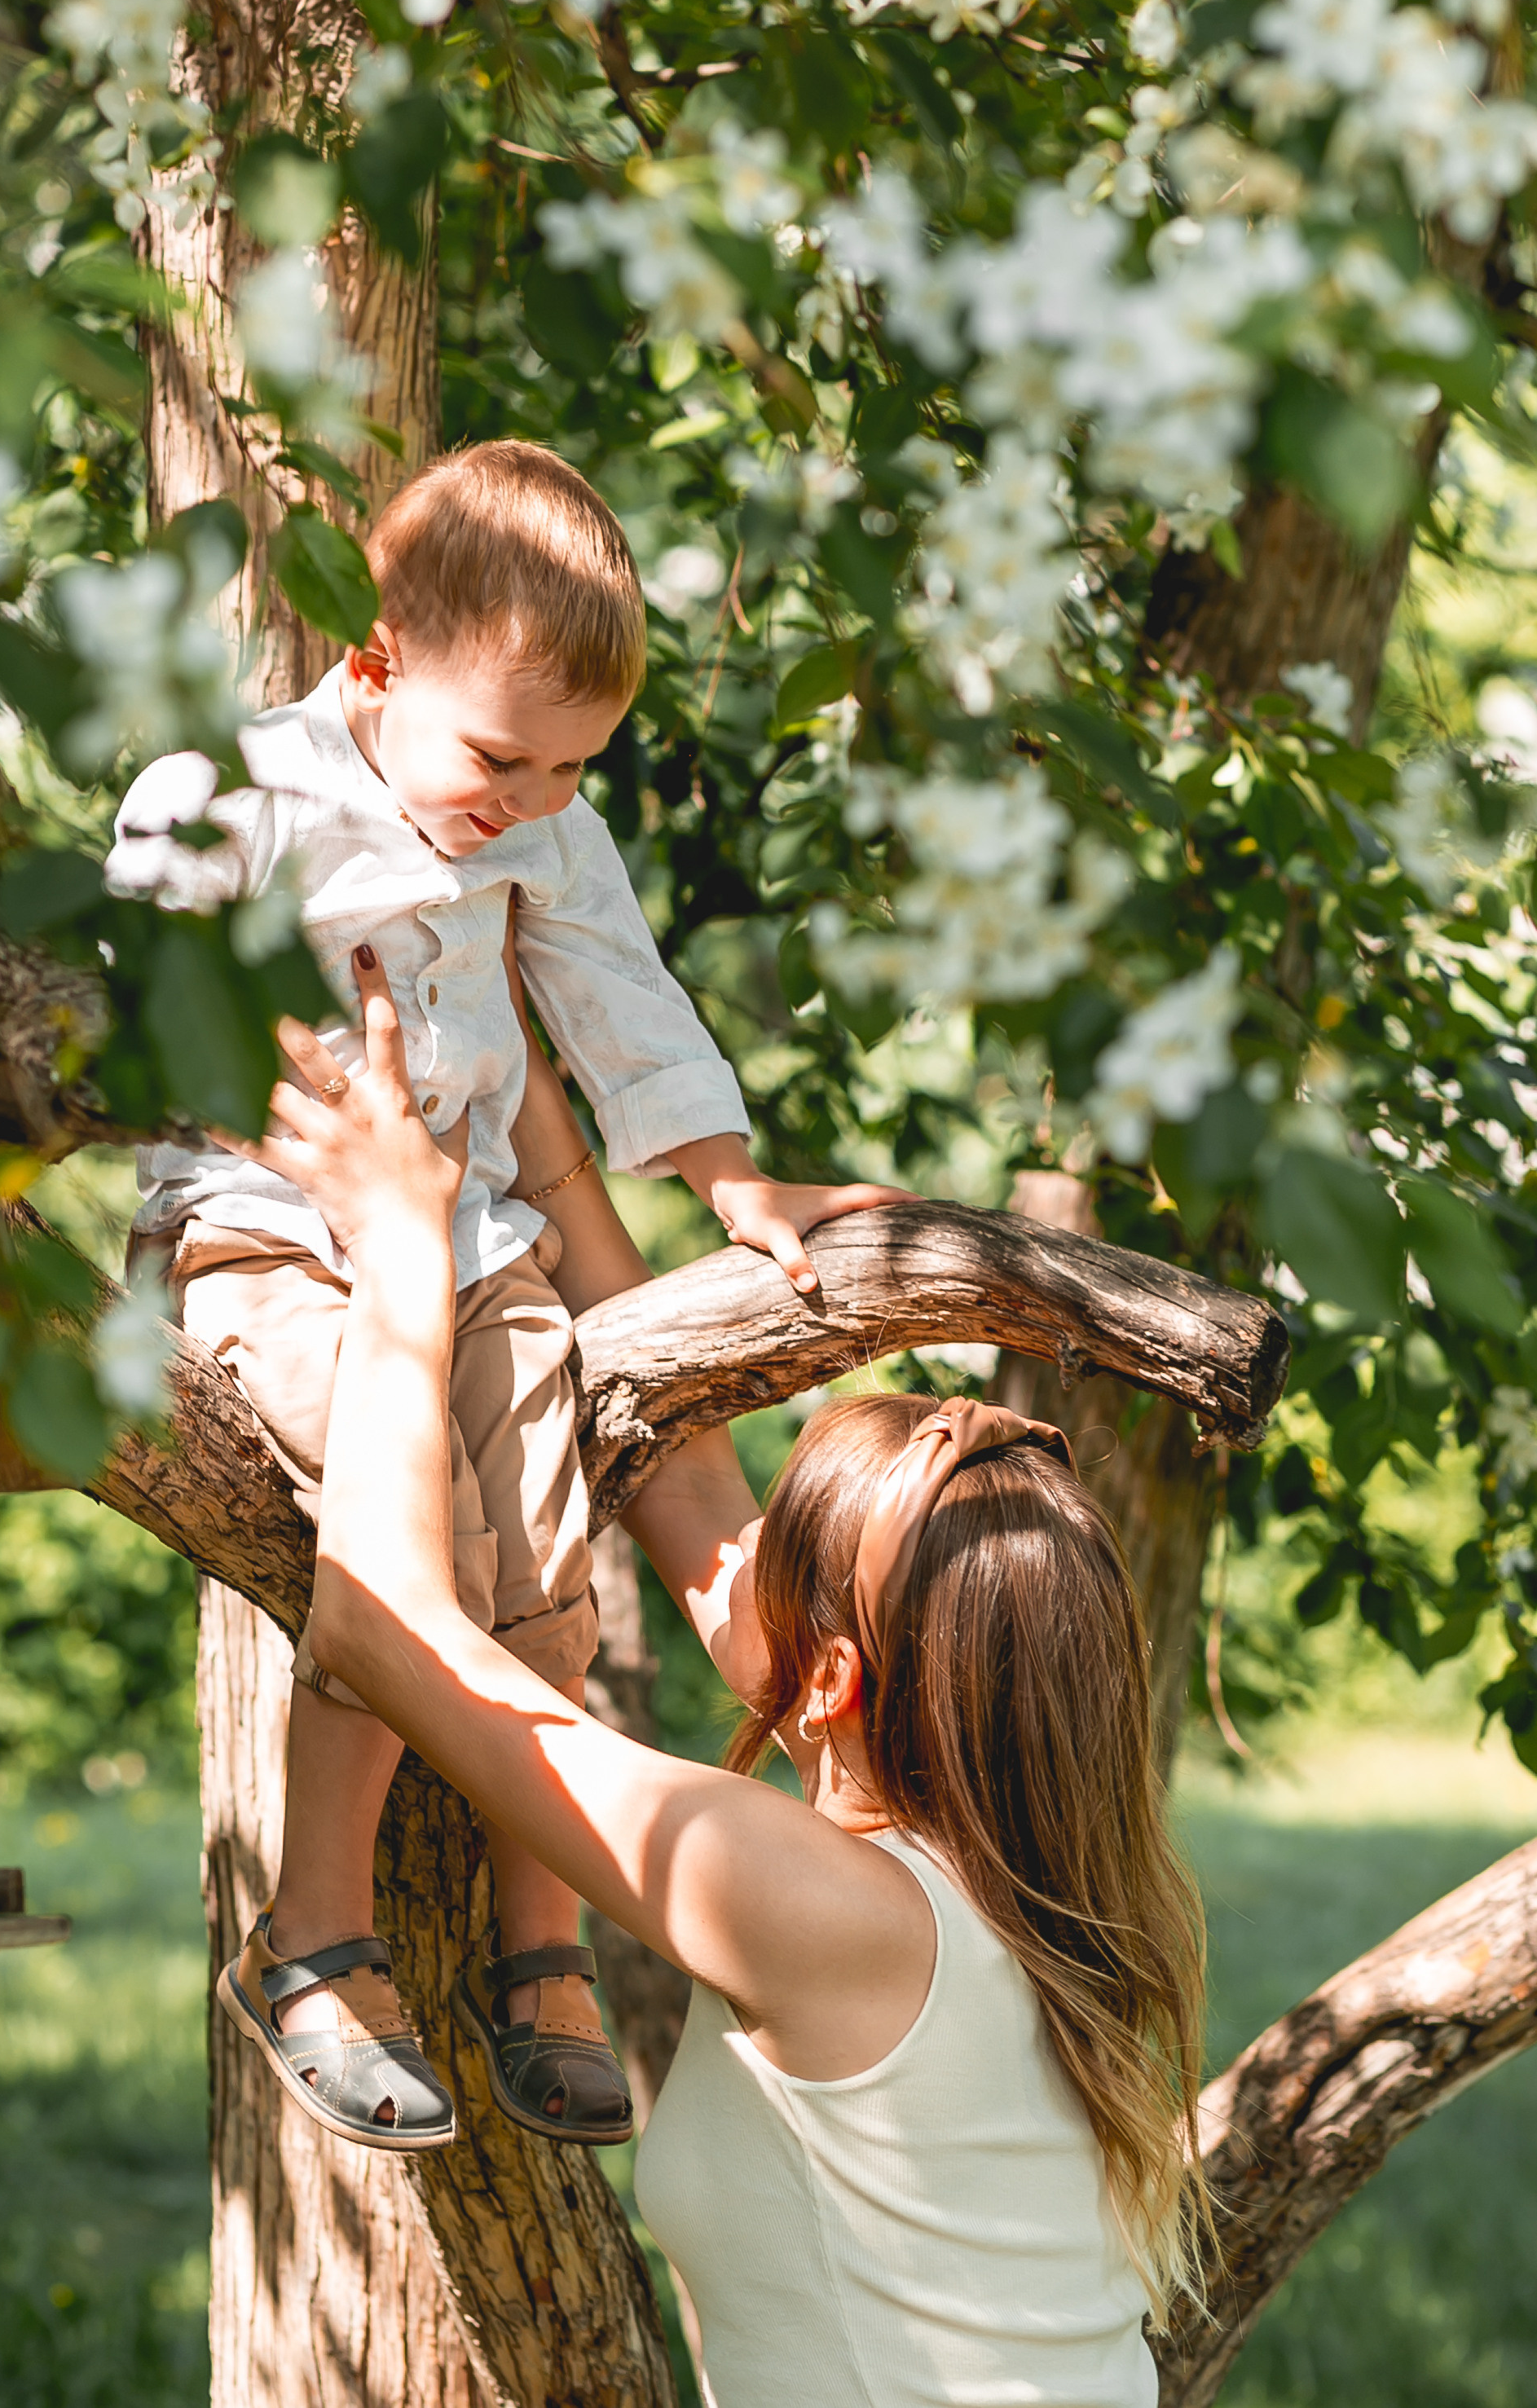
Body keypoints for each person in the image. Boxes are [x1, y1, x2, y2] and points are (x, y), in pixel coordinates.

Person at [243, 947, 1210, 2408]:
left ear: (825, 1675)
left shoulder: (816, 1900)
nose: (741, 1551)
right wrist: (520, 1092)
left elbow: (386, 1627)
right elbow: (688, 1486)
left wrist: (400, 1249)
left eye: (792, 1561)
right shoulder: (1046, 1892)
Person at [107, 440, 884, 2152]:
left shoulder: (542, 813)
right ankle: (311, 1930)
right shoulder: (228, 794)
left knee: (544, 1575)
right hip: (272, 1229)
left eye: (572, 769)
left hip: (476, 1243)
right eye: (501, 757)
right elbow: (118, 1016)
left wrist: (731, 1178)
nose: (528, 798)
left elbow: (619, 991)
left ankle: (545, 1943)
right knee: (422, 1542)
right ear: (374, 658)